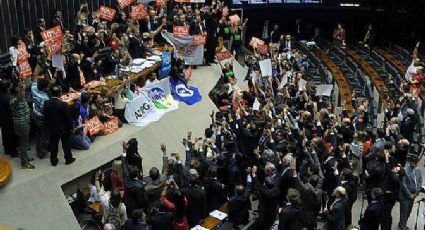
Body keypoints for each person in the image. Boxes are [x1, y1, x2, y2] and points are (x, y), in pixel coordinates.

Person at [44, 85, 75, 166]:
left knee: (54, 144)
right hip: (63, 128)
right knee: (66, 145)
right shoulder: (63, 104)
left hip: (52, 128)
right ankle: (68, 159)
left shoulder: (46, 103)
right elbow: (68, 118)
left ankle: (53, 161)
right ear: (60, 94)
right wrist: (71, 127)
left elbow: (46, 116)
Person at [10, 84, 34, 169]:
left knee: (25, 143)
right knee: (23, 145)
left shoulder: (22, 98)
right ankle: (24, 163)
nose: (24, 93)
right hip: (21, 125)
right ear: (17, 94)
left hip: (26, 123)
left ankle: (26, 158)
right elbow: (18, 99)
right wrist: (20, 91)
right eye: (22, 92)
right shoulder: (14, 101)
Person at [398, 155, 423, 230]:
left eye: (416, 164)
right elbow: (403, 184)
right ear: (410, 162)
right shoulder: (405, 170)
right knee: (404, 213)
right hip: (405, 196)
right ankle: (403, 227)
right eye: (414, 164)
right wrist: (409, 195)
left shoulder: (418, 169)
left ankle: (402, 223)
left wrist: (417, 191)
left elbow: (420, 181)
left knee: (409, 211)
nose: (415, 165)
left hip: (414, 195)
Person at [31, 78, 50, 158]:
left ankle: (38, 150)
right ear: (44, 88)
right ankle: (42, 152)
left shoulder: (34, 89)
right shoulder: (45, 98)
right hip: (42, 118)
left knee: (38, 135)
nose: (49, 88)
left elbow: (34, 82)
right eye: (47, 87)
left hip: (35, 115)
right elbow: (44, 110)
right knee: (44, 136)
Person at [0, 80, 18, 157]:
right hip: (9, 118)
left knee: (4, 133)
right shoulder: (9, 98)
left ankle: (7, 149)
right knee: (11, 134)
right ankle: (13, 151)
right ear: (7, 88)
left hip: (2, 118)